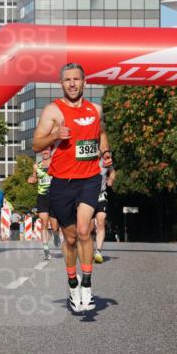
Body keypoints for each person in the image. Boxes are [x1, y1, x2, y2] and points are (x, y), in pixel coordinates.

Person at [32, 63, 112, 313]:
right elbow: (36, 144)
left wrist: (106, 153)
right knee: (69, 237)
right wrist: (55, 135)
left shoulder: (95, 109)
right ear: (61, 84)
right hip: (62, 182)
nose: (73, 84)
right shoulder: (53, 111)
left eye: (77, 79)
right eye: (67, 80)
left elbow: (101, 134)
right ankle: (72, 283)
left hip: (89, 179)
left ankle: (87, 287)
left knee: (84, 230)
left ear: (84, 82)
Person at [27, 148, 55, 259]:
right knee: (44, 222)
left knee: (55, 225)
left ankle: (56, 234)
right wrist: (32, 180)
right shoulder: (36, 166)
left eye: (47, 150)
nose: (45, 152)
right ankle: (46, 249)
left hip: (55, 196)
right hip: (42, 197)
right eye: (43, 151)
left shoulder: (55, 163)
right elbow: (35, 178)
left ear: (50, 151)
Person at [94, 162, 116, 263]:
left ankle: (98, 251)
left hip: (101, 196)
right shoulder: (85, 156)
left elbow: (112, 172)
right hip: (86, 197)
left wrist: (111, 179)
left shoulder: (105, 160)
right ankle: (88, 250)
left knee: (101, 222)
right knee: (87, 228)